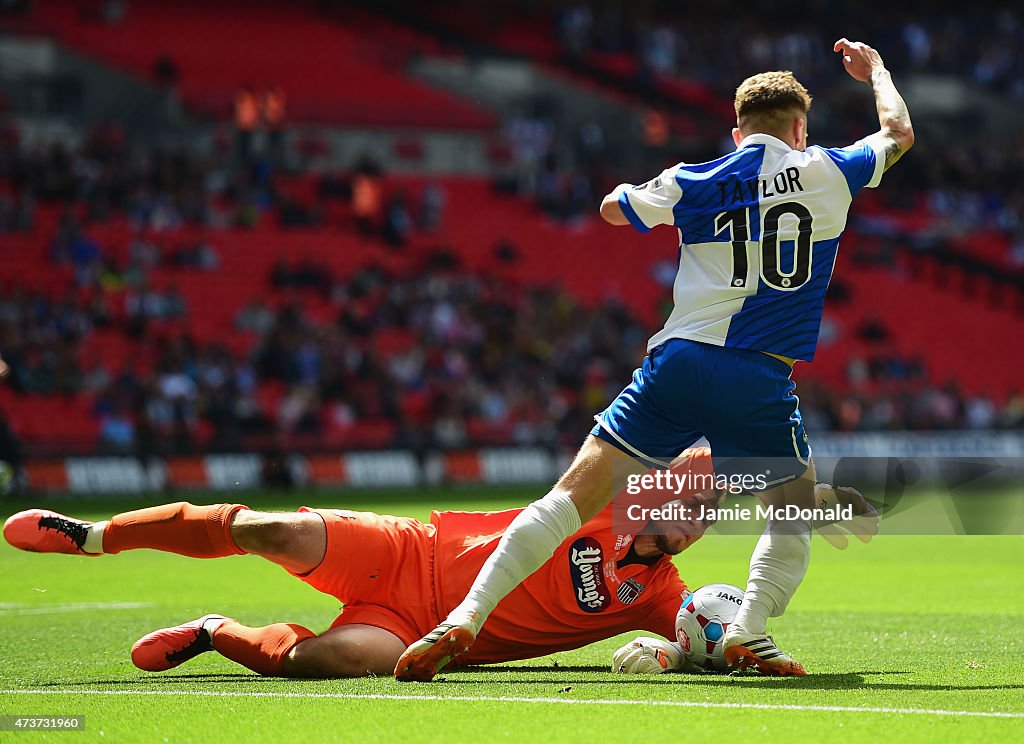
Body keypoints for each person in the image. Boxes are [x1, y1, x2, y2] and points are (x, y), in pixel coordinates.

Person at [395, 38, 911, 680]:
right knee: (792, 510)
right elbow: (898, 131)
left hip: (678, 362)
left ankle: (464, 619)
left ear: (737, 130)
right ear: (799, 129)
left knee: (568, 500)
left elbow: (615, 210)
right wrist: (876, 72)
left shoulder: (696, 178)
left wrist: (635, 190)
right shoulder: (830, 169)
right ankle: (749, 633)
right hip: (758, 372)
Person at [3, 450, 722, 677]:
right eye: (693, 504)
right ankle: (94, 536)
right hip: (405, 550)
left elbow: (707, 634)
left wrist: (702, 654)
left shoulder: (659, 594)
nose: (695, 527)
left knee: (327, 661)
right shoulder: (593, 494)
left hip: (419, 630)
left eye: (707, 518)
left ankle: (216, 632)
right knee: (268, 530)